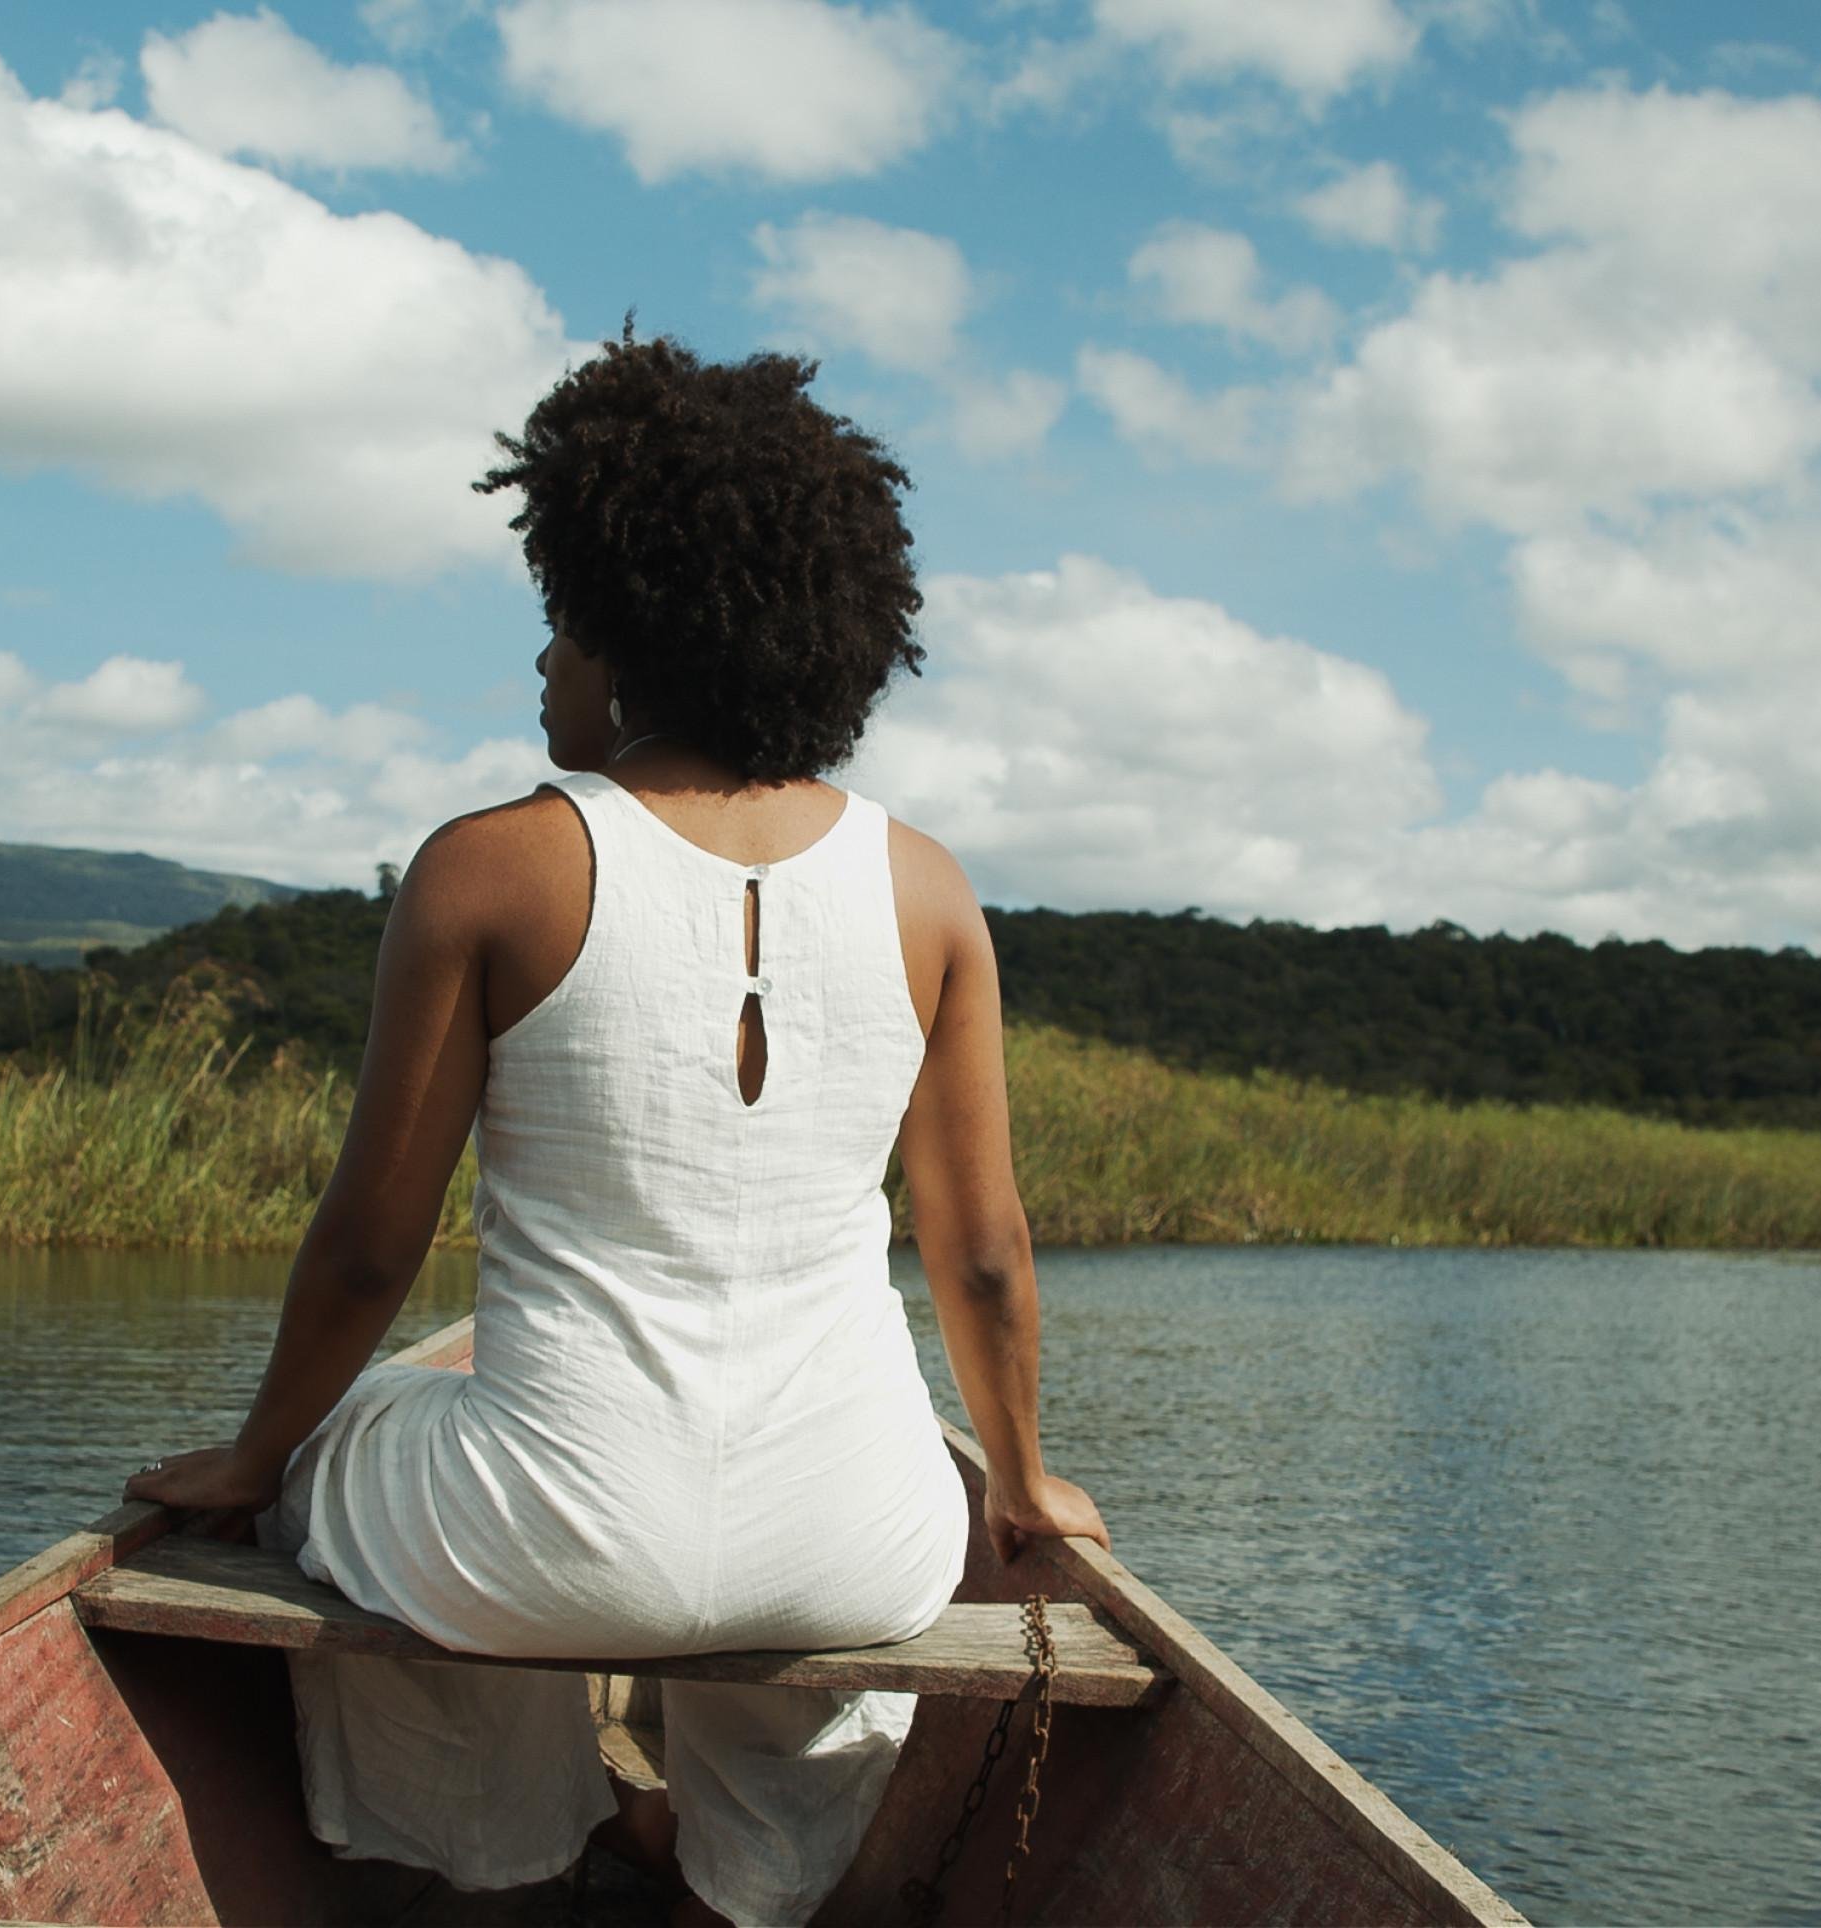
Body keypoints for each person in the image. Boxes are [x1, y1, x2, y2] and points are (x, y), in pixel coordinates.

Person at [123, 330, 1107, 1927]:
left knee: (356, 1439)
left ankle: (503, 1857)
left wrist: (257, 1456)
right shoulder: (929, 887)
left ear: (639, 634)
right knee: (830, 1499)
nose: (542, 667)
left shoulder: (488, 867)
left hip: (546, 1537)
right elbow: (982, 1256)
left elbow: (373, 1246)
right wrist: (1026, 1478)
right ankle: (743, 1881)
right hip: (863, 1546)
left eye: (561, 625)